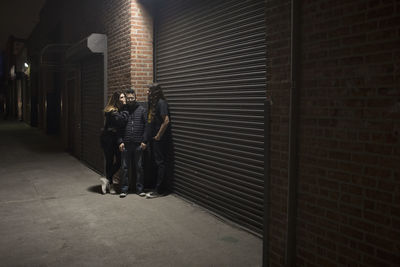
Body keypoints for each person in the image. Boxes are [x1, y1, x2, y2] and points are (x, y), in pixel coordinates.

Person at [118, 88, 147, 198]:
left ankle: (140, 190)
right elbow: (119, 128)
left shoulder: (142, 110)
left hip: (138, 144)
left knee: (139, 167)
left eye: (132, 98)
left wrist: (144, 141)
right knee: (125, 168)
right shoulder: (122, 111)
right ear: (126, 98)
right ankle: (124, 190)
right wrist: (120, 141)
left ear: (135, 98)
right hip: (125, 144)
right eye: (128, 98)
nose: (130, 100)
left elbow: (146, 127)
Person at [146, 83, 171, 199]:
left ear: (155, 92)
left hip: (159, 139)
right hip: (154, 138)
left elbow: (166, 121)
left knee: (160, 163)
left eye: (149, 91)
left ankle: (161, 190)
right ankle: (155, 186)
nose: (147, 92)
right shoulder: (153, 103)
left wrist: (158, 136)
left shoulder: (161, 103)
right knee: (156, 163)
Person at [100, 91, 127, 194]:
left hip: (113, 138)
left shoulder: (116, 110)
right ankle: (110, 184)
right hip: (108, 139)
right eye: (121, 97)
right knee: (110, 161)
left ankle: (106, 179)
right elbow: (121, 121)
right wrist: (125, 108)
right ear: (117, 99)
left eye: (123, 97)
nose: (123, 99)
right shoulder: (112, 111)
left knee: (118, 160)